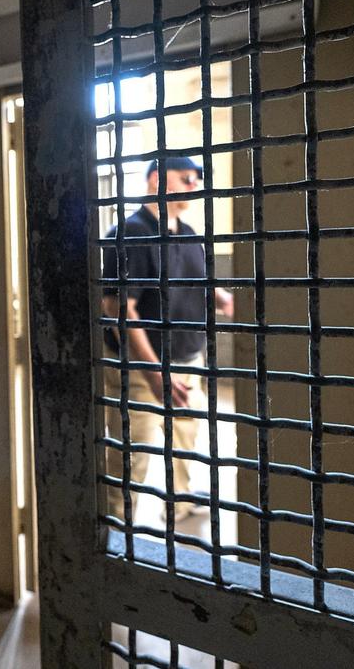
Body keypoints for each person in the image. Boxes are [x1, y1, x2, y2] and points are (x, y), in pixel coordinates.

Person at [101, 156, 233, 523]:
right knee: (132, 448)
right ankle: (116, 523)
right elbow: (119, 310)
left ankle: (180, 502)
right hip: (142, 367)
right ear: (158, 179)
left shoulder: (188, 233)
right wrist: (153, 372)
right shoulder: (130, 234)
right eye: (186, 178)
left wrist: (226, 300)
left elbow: (204, 284)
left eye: (196, 179)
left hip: (187, 358)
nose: (194, 185)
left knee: (185, 437)